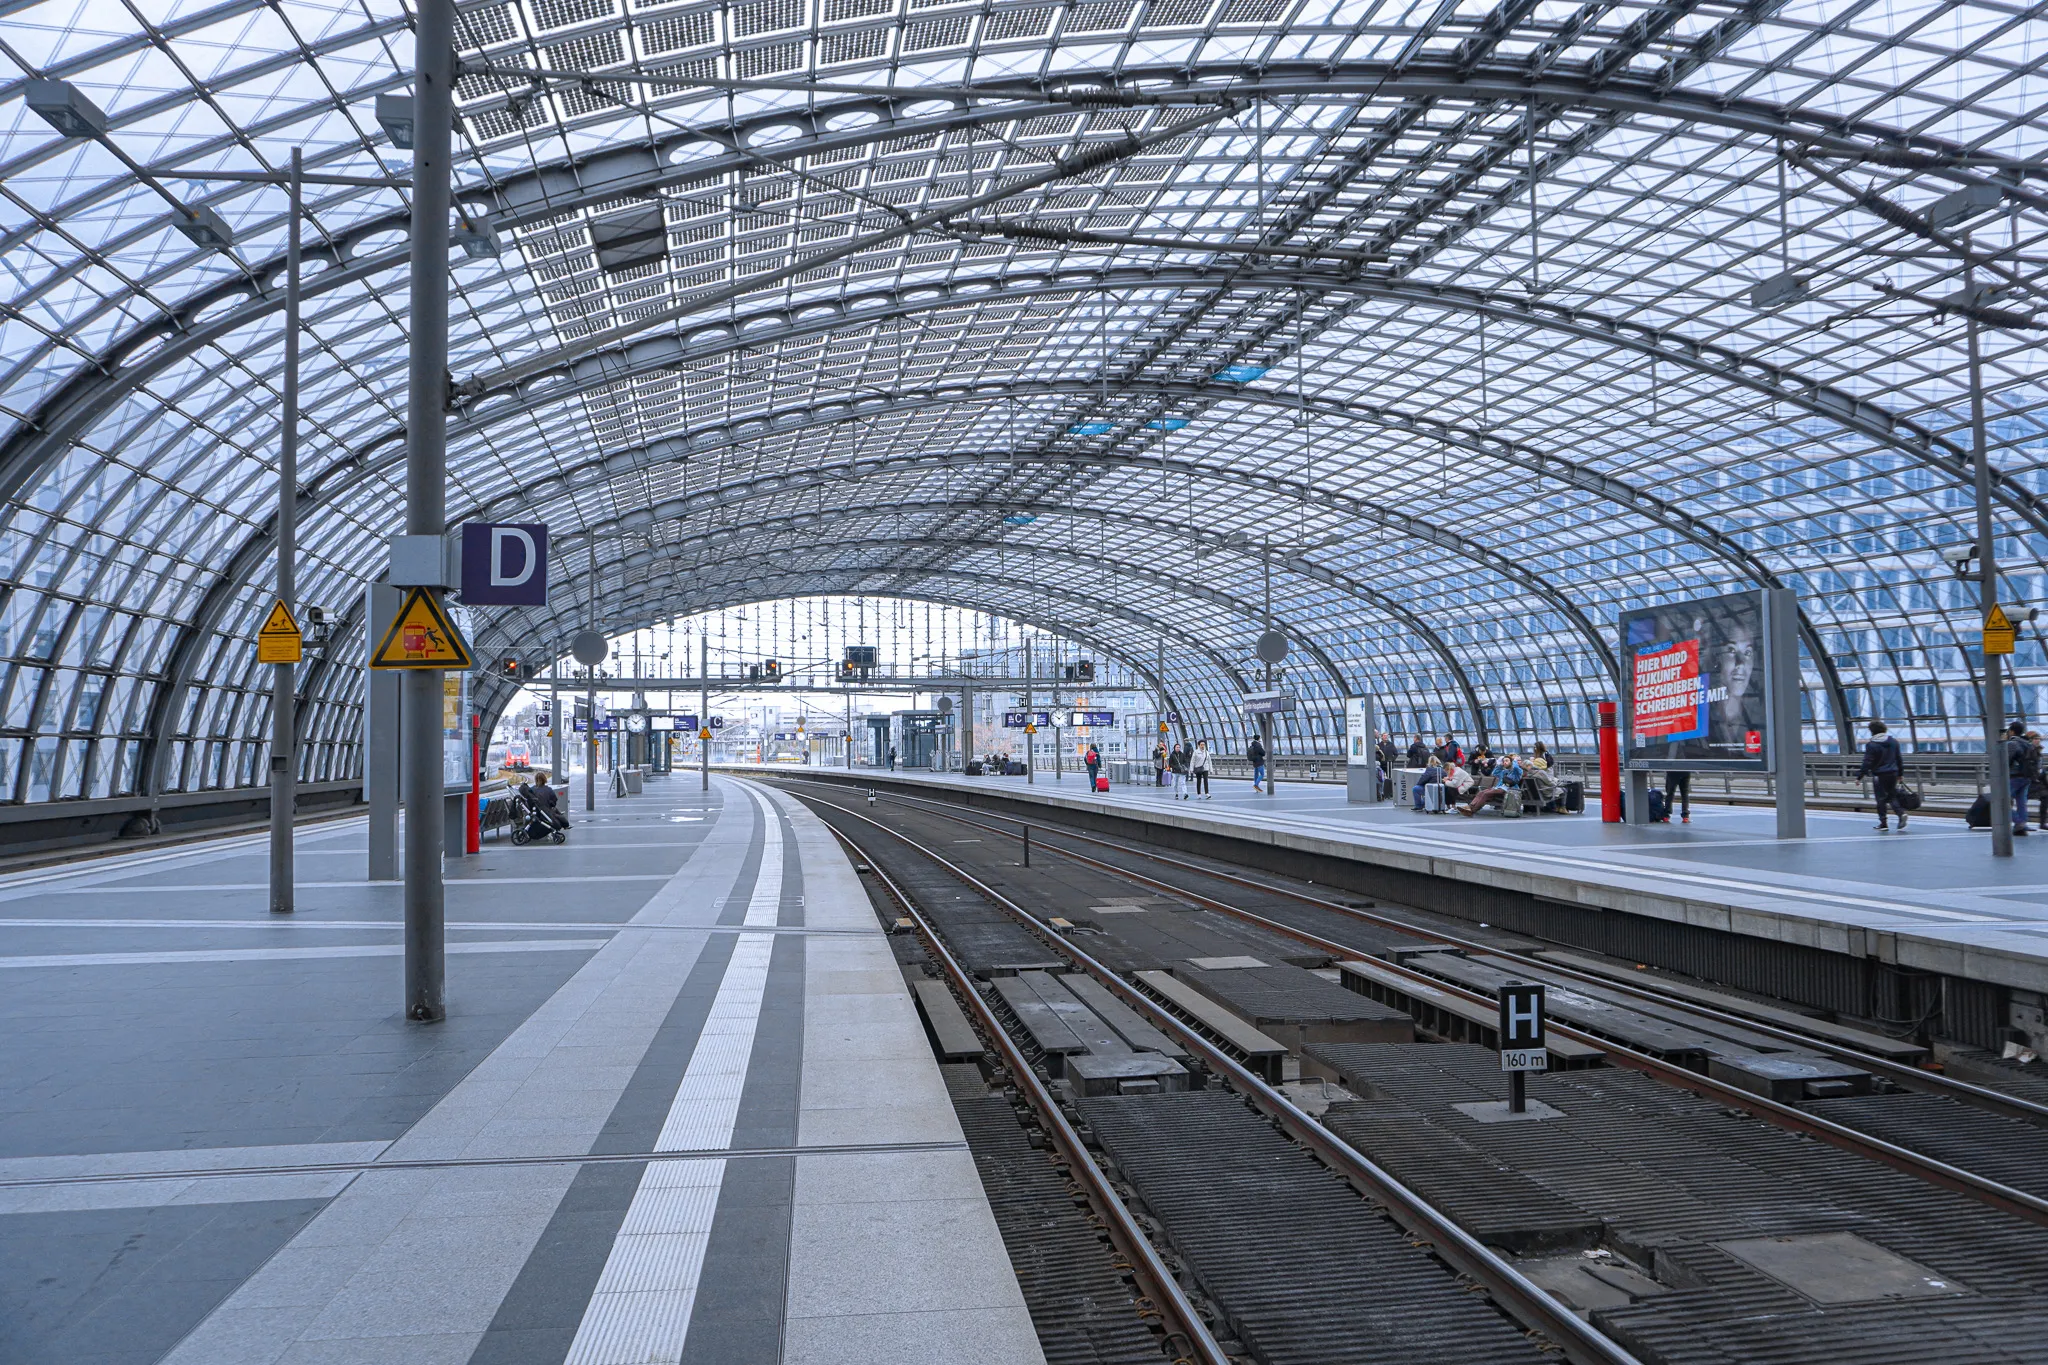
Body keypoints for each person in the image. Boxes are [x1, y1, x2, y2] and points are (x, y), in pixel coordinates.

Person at [1858, 720, 1906, 832]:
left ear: (1872, 731)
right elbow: (1899, 759)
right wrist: (1900, 774)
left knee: (1880, 799)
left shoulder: (1871, 744)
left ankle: (1883, 823)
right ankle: (1901, 813)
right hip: (1893, 773)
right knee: (1892, 795)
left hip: (1879, 774)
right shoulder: (1893, 742)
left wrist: (1860, 776)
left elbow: (1868, 761)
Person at [1458, 752, 1524, 816]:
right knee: (1482, 792)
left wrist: (1514, 761)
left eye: (1507, 761)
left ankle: (1472, 811)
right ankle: (1469, 807)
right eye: (1504, 761)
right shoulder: (1504, 771)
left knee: (1486, 794)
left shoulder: (1517, 771)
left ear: (1511, 762)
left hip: (1509, 789)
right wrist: (1500, 765)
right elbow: (1494, 773)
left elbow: (1516, 767)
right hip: (1499, 788)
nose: (1505, 762)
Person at [2009, 721, 2036, 837]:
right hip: (2027, 776)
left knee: (2002, 802)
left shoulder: (2012, 743)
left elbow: (2006, 760)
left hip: (2014, 776)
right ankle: (2023, 825)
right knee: (2021, 802)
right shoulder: (2029, 744)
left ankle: (2018, 821)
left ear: (2012, 731)